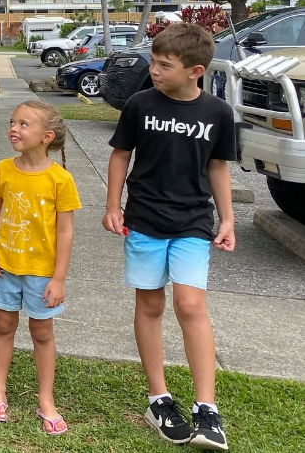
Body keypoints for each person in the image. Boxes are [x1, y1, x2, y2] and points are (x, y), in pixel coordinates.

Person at [102, 23, 236, 450]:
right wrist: (112, 205)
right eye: (154, 63)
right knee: (151, 304)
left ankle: (206, 409)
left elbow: (218, 167)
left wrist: (228, 219)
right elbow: (121, 155)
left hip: (193, 221)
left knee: (191, 304)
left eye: (164, 65)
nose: (154, 70)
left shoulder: (218, 112)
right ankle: (158, 398)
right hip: (143, 220)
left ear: (195, 71)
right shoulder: (140, 104)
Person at [0, 100, 80, 435]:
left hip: (42, 273)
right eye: (12, 122)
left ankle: (46, 398)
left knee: (42, 333)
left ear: (47, 136)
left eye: (24, 124)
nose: (14, 128)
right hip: (4, 267)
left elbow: (65, 231)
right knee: (3, 326)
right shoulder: (3, 169)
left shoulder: (60, 179)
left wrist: (59, 278)